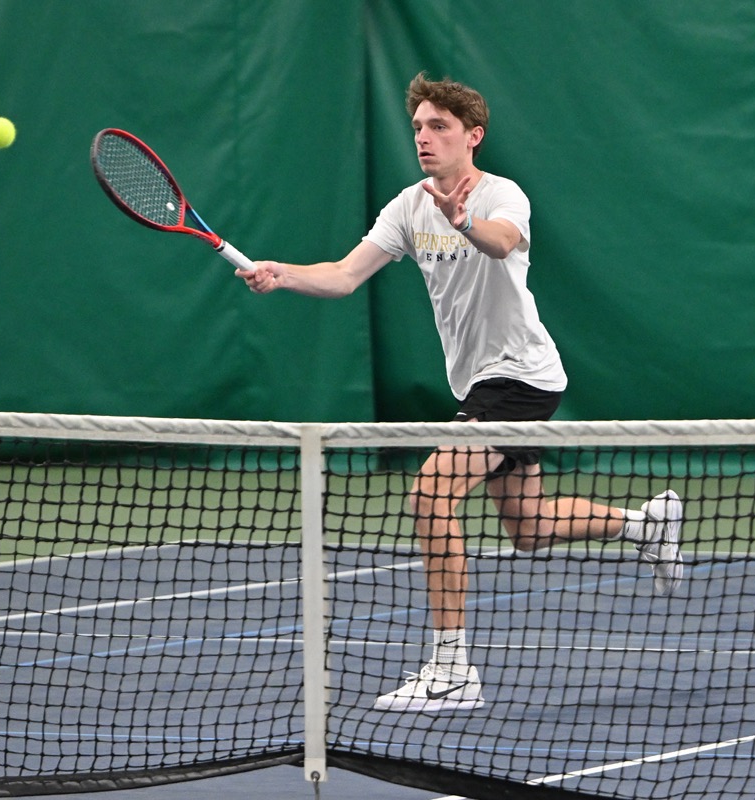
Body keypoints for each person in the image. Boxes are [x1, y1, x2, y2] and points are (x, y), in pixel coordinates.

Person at [237, 72, 683, 712]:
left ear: (472, 136)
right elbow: (342, 276)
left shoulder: (504, 196)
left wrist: (464, 218)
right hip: (484, 379)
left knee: (429, 493)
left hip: (519, 376)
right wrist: (281, 274)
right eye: (418, 126)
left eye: (439, 126)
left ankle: (452, 670)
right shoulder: (408, 204)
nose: (424, 137)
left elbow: (501, 245)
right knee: (526, 528)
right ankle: (646, 524)